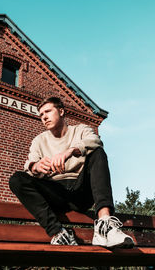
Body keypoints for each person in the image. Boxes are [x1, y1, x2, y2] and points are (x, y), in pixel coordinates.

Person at [9, 97, 134, 248]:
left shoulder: (81, 130)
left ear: (61, 111)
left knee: (98, 152)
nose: (44, 117)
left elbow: (95, 140)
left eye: (48, 111)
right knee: (17, 179)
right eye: (41, 115)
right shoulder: (38, 141)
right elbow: (29, 164)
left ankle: (104, 226)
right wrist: (36, 166)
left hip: (81, 191)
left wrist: (70, 151)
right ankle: (59, 234)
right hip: (55, 192)